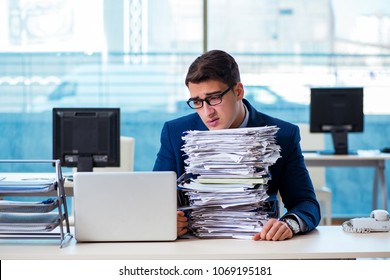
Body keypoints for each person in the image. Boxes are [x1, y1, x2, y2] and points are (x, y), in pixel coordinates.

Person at [153, 50, 321, 241]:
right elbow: (155, 202)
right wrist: (164, 221)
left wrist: (289, 224)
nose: (207, 111)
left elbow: (306, 204)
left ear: (238, 91)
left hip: (258, 244)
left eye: (214, 98)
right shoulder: (175, 132)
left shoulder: (283, 134)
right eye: (197, 102)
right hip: (193, 245)